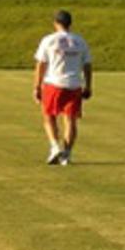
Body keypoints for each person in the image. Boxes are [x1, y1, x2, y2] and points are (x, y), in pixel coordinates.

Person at [33, 9, 92, 165]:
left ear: (55, 23)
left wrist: (37, 86)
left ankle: (54, 146)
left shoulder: (49, 40)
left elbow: (41, 64)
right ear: (70, 24)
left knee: (48, 116)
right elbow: (87, 65)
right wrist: (88, 85)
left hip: (54, 83)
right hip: (74, 84)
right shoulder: (80, 41)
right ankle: (67, 153)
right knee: (71, 120)